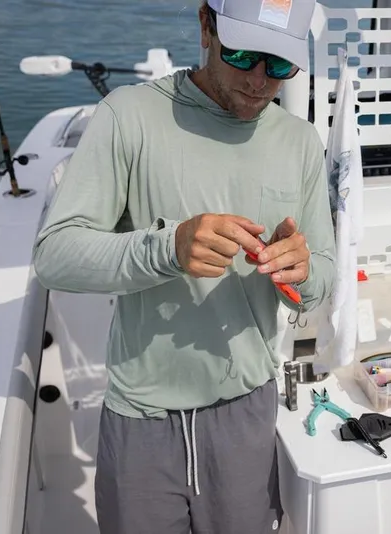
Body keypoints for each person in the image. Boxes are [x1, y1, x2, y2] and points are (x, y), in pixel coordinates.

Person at [32, 0, 335, 532]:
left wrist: (303, 271)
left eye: (281, 65)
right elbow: (55, 255)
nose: (262, 81)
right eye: (244, 54)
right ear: (205, 24)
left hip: (247, 414)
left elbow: (323, 282)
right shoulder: (129, 114)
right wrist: (167, 249)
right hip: (141, 422)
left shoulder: (300, 141)